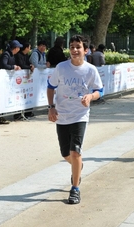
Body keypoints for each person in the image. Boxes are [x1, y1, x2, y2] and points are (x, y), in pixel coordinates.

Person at [47, 35, 103, 204]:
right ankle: (77, 166)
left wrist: (90, 97)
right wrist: (51, 107)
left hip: (80, 115)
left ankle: (75, 188)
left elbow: (99, 90)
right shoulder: (61, 68)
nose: (74, 50)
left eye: (78, 47)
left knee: (75, 151)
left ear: (85, 50)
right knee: (66, 154)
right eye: (72, 47)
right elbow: (51, 87)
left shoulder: (91, 70)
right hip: (62, 115)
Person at [0, 40, 22, 124]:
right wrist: (13, 67)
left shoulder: (12, 55)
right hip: (2, 80)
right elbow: (3, 65)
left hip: (8, 80)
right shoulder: (6, 54)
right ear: (16, 48)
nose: (19, 49)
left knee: (5, 98)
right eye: (18, 47)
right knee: (1, 97)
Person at [14, 42, 35, 120]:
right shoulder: (18, 55)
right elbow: (21, 65)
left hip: (25, 79)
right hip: (18, 78)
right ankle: (17, 114)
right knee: (18, 95)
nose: (30, 49)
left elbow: (27, 63)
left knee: (26, 94)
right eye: (29, 47)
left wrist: (31, 65)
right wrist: (29, 67)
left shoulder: (25, 55)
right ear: (26, 48)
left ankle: (27, 112)